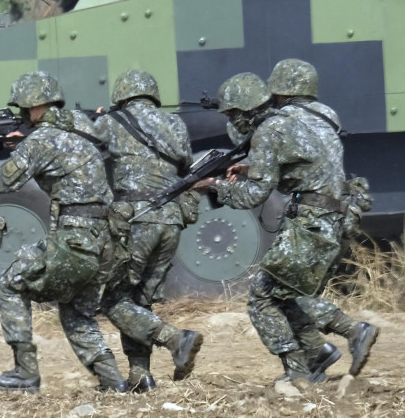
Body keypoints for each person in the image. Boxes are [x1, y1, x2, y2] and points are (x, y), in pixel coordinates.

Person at [0, 71, 129, 393]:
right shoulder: (78, 131)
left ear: (36, 105)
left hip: (75, 238)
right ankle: (113, 382)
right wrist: (22, 147)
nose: (22, 114)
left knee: (9, 286)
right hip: (104, 239)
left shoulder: (40, 141)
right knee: (77, 312)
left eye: (24, 108)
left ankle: (25, 374)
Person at [192, 72, 344, 384]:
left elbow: (254, 195)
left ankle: (303, 370)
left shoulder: (268, 131)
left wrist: (212, 185)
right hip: (321, 217)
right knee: (282, 294)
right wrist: (252, 167)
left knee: (262, 298)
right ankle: (317, 355)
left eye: (233, 115)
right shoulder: (302, 120)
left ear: (245, 112)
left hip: (308, 219)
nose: (233, 122)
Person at [267, 59, 379, 376]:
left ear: (281, 90)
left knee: (273, 294)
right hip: (337, 216)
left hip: (311, 219)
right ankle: (313, 363)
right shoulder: (325, 115)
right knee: (294, 293)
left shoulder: (284, 121)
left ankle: (352, 331)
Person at [94, 70, 204, 392]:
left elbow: (90, 156)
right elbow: (184, 166)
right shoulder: (175, 124)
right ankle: (140, 377)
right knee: (139, 302)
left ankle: (175, 339)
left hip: (137, 218)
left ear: (121, 95)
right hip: (170, 221)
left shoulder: (110, 122)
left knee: (114, 301)